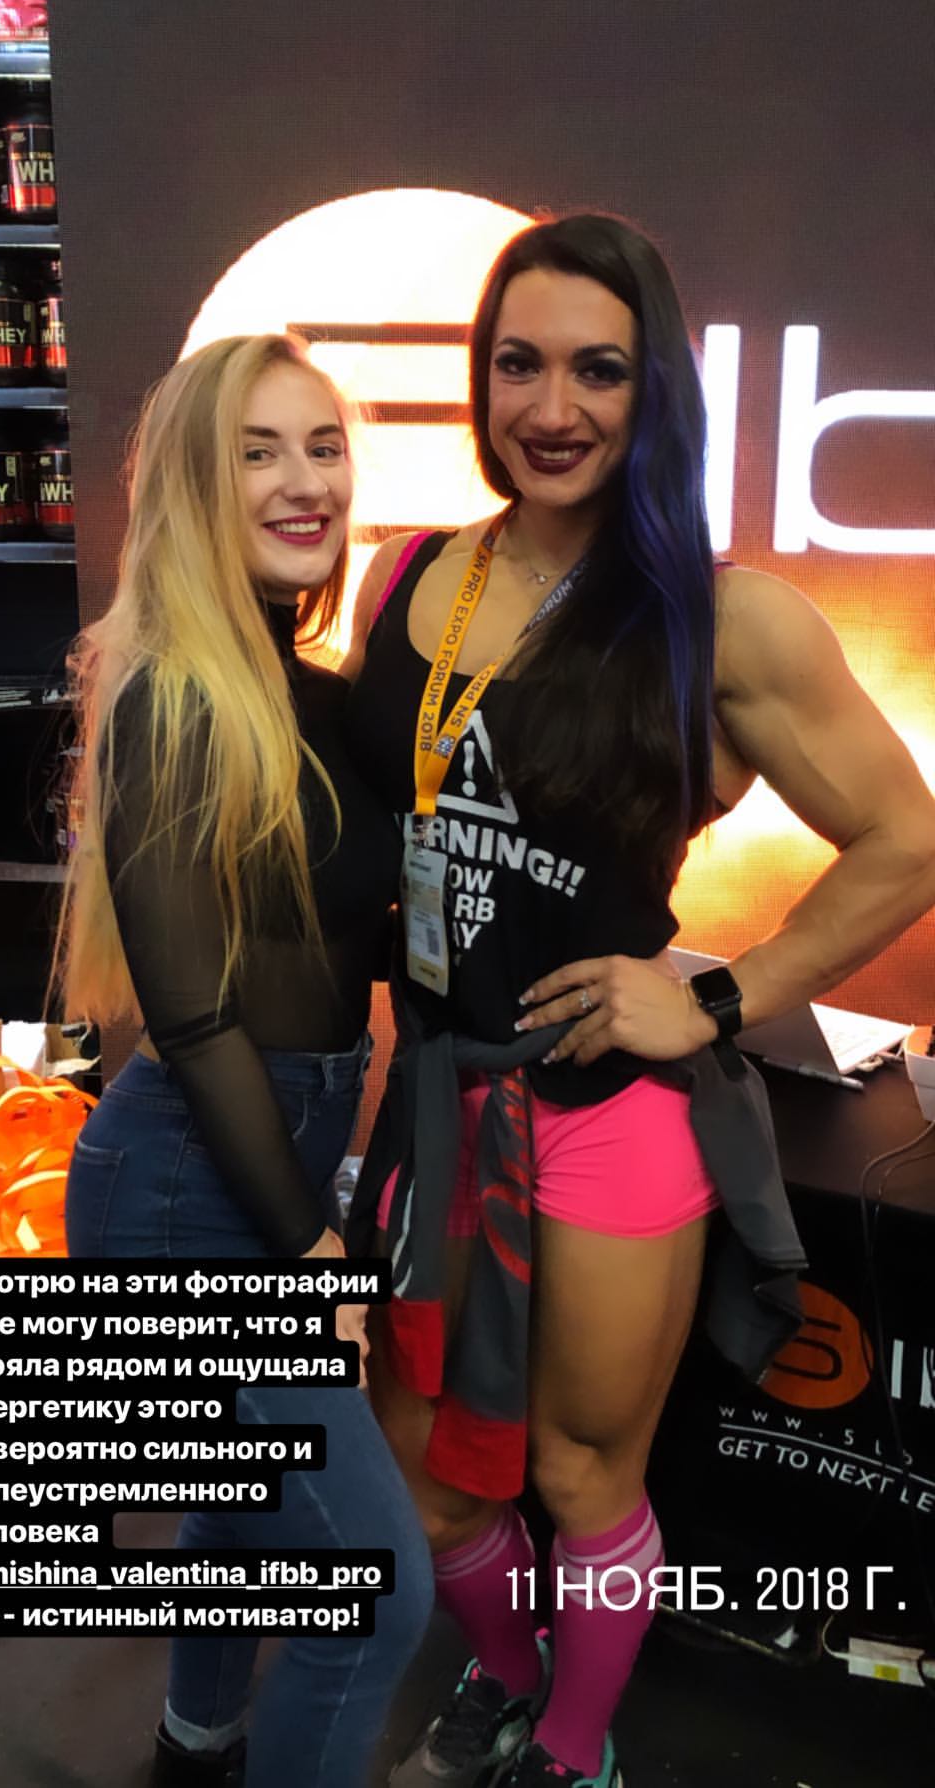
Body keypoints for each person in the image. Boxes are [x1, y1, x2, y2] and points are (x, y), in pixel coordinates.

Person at [340, 215, 935, 1788]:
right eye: (518, 364)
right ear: (480, 379)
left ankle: (573, 1746)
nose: (552, 408)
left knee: (578, 1469)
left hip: (604, 1117)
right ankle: (506, 1681)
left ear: (652, 387)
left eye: (597, 371)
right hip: (436, 1105)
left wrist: (718, 998)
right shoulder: (407, 576)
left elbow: (909, 839)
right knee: (432, 1474)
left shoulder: (720, 617)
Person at [56, 333, 433, 1788]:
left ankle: (194, 1747)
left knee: (235, 1513)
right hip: (186, 1187)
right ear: (194, 488)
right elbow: (197, 1015)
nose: (302, 481)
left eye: (323, 448)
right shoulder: (172, 696)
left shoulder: (322, 694)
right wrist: (310, 1248)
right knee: (374, 1590)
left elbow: (356, 934)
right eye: (257, 451)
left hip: (289, 1142)